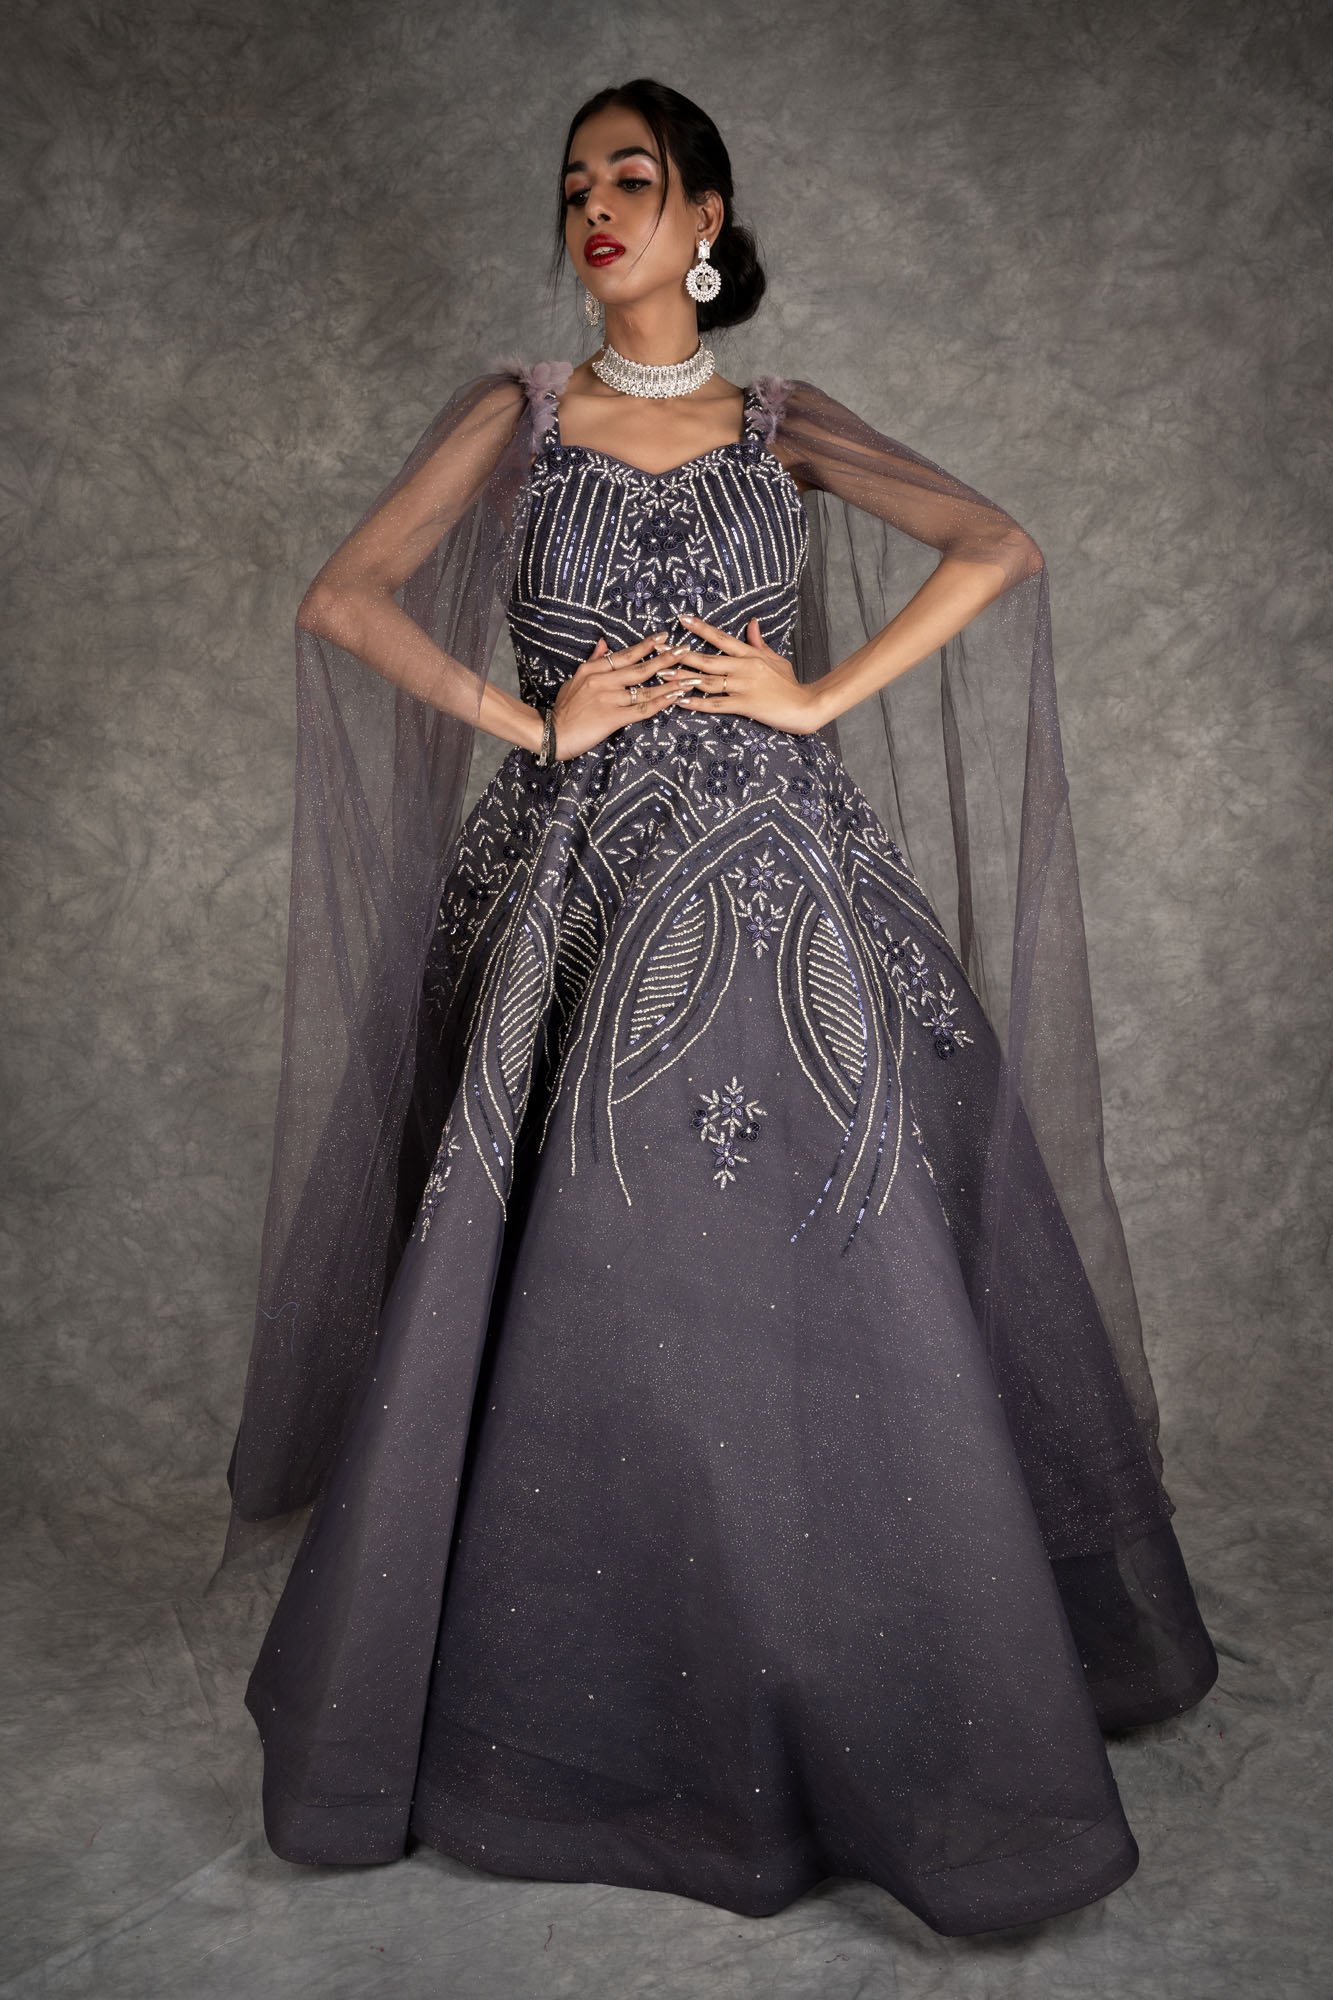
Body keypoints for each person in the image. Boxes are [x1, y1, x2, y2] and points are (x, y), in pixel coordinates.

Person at [222, 78, 1218, 1935]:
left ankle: (874, 1678)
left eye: (633, 179)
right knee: (600, 1282)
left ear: (706, 221)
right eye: (573, 187)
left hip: (783, 878)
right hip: (578, 885)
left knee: (841, 1272)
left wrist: (817, 700)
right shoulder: (519, 416)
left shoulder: (783, 424)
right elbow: (342, 599)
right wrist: (529, 721)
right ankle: (594, 1705)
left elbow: (996, 542)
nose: (595, 209)